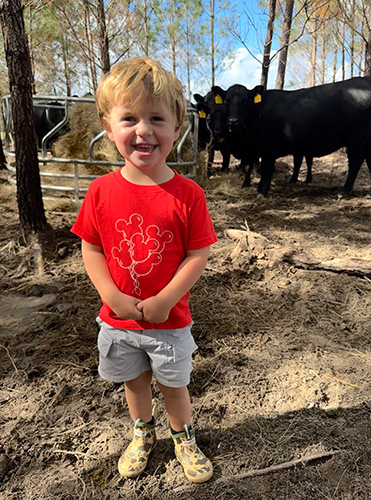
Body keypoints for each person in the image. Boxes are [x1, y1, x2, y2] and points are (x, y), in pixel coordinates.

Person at [71, 57, 217, 483]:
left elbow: (197, 254)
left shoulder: (188, 194)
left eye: (157, 118)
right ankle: (142, 432)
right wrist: (112, 297)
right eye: (129, 117)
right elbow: (91, 247)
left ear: (177, 126)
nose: (143, 130)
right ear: (107, 123)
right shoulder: (100, 191)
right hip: (118, 321)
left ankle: (183, 436)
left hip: (169, 321)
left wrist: (166, 298)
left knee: (173, 384)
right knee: (134, 383)